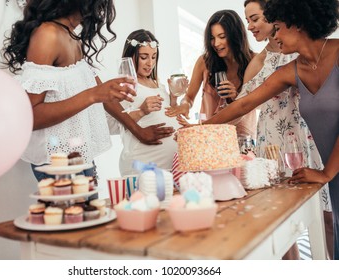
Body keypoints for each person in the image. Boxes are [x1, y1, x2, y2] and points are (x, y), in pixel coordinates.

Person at [204, 0, 339, 259]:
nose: (274, 36)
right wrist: (201, 128)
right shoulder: (293, 70)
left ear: (296, 23)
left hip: (332, 169)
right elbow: (245, 103)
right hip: (331, 173)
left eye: (276, 27)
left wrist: (327, 172)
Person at [2, 0, 174, 182]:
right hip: (56, 159)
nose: (101, 10)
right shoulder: (48, 34)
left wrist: (139, 131)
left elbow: (102, 94)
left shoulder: (72, 36)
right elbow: (31, 117)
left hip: (79, 154)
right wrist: (93, 95)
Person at [242, 0, 333, 260]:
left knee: (329, 221)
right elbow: (244, 104)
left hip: (318, 151)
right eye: (247, 20)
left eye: (256, 18)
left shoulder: (321, 51)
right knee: (287, 226)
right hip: (287, 152)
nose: (251, 26)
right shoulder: (273, 65)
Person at [165, 9, 256, 138]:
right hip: (208, 138)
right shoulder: (205, 62)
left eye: (222, 37)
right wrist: (185, 105)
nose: (216, 43)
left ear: (235, 35)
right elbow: (189, 97)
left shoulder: (254, 61)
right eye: (212, 38)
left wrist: (235, 97)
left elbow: (257, 103)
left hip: (241, 137)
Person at [112, 29, 181, 175]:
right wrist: (142, 111)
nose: (150, 63)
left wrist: (173, 98)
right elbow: (114, 125)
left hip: (169, 167)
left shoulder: (158, 85)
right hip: (142, 165)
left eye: (154, 57)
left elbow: (169, 115)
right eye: (144, 57)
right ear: (131, 55)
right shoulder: (124, 85)